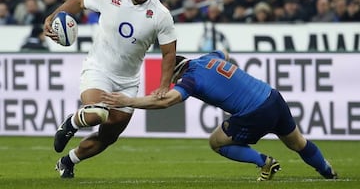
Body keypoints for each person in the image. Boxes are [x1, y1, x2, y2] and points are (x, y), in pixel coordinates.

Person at [101, 50, 338, 181]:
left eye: (171, 79)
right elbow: (223, 52)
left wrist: (128, 101)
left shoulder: (191, 79)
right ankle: (329, 172)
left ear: (176, 72)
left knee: (216, 141)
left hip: (253, 112)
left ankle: (264, 162)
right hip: (273, 97)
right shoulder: (208, 58)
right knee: (298, 142)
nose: (173, 83)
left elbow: (166, 102)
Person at [43, 0, 177, 178]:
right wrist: (54, 15)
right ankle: (71, 123)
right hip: (98, 69)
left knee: (108, 137)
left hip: (128, 82)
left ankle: (68, 161)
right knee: (97, 112)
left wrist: (163, 85)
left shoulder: (161, 15)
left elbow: (169, 53)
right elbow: (78, 2)